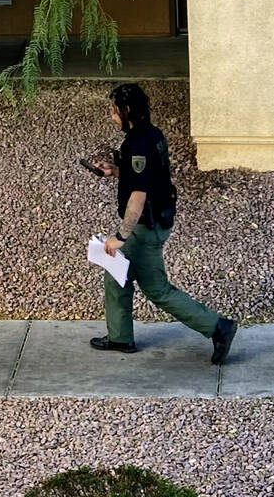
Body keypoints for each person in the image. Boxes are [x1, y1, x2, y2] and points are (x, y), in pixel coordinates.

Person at [84, 83, 237, 363]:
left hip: (146, 227)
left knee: (156, 289)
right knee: (115, 275)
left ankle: (219, 327)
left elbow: (139, 196)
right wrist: (115, 171)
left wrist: (119, 236)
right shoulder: (151, 134)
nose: (111, 115)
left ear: (127, 110)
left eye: (113, 110)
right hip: (153, 221)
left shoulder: (138, 143)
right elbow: (146, 177)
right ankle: (120, 336)